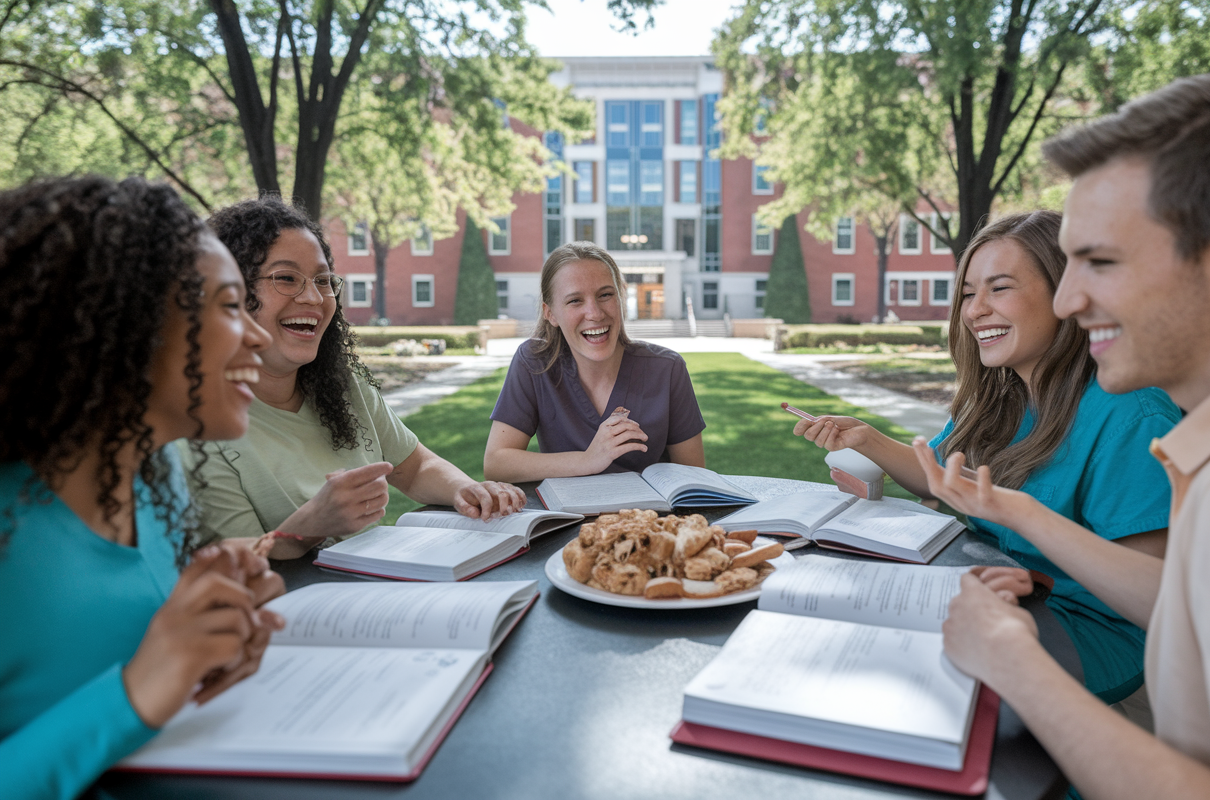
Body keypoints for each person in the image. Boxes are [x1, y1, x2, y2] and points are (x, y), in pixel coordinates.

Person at [915, 71, 1210, 800]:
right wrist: (1031, 545)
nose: (1071, 298)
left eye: (1102, 261)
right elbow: (1190, 605)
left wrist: (1014, 662)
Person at [794, 211, 1179, 711]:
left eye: (999, 289)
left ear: (1067, 294)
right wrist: (866, 440)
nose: (975, 311)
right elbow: (939, 476)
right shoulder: (1004, 399)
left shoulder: (1131, 413)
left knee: (892, 675)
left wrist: (1035, 566)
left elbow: (1153, 600)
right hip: (1004, 592)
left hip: (1090, 631)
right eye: (968, 294)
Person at [0, 176, 286, 799]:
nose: (260, 338)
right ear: (133, 323)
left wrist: (208, 630)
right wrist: (137, 691)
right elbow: (130, 687)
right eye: (232, 305)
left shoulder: (159, 477)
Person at [189, 197, 526, 560]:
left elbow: (414, 467)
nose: (314, 297)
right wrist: (309, 528)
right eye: (286, 278)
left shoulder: (342, 386)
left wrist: (467, 489)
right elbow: (236, 565)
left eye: (323, 280)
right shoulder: (197, 425)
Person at [484, 242, 706, 482]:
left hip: (649, 519)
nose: (595, 313)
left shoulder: (667, 369)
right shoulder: (535, 363)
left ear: (621, 297)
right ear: (551, 313)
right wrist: (588, 460)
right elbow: (497, 463)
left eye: (605, 295)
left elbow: (695, 481)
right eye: (575, 301)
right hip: (568, 519)